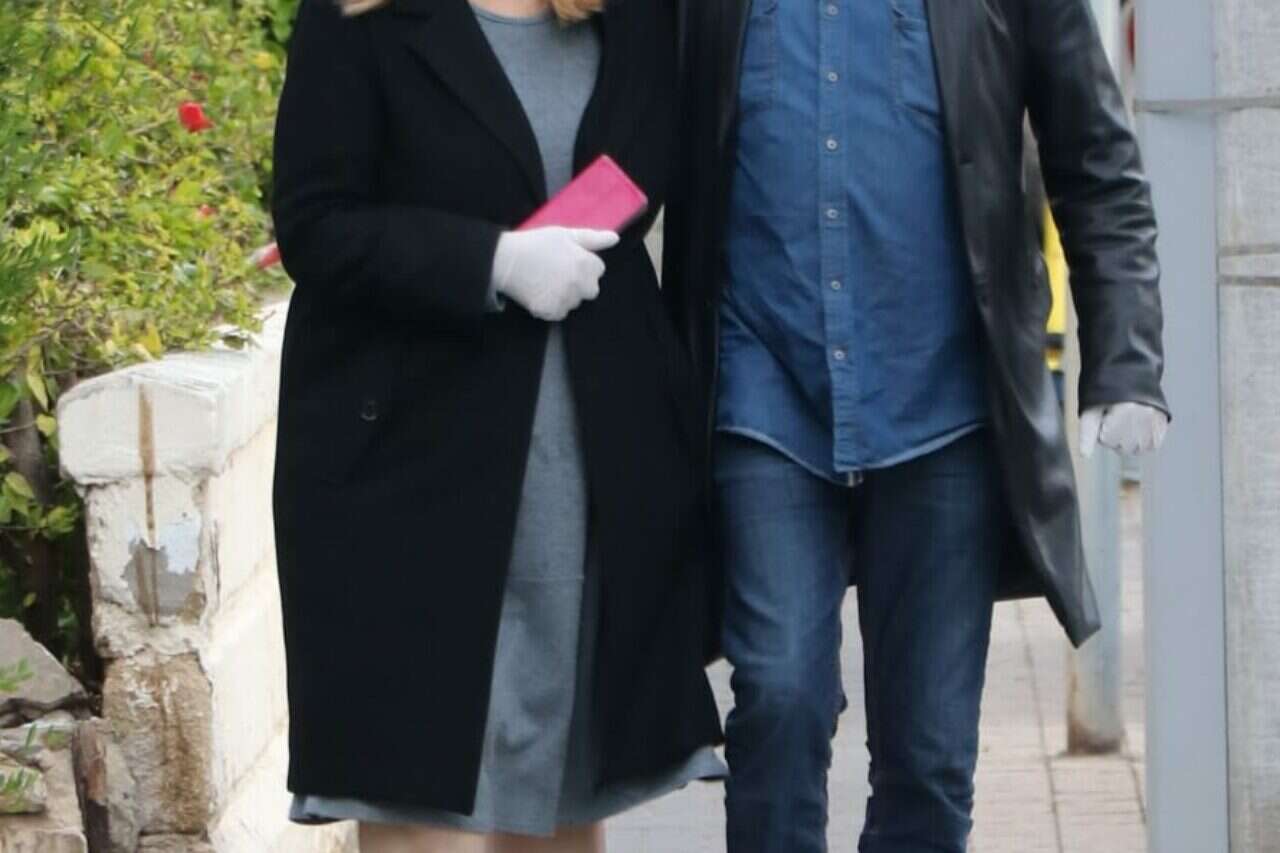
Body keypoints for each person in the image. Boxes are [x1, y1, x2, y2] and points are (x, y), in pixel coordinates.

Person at [661, 1, 1170, 851]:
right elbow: (614, 118)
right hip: (766, 393)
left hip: (946, 404)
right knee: (780, 698)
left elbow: (1097, 160)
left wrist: (1125, 357)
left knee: (929, 762)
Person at [270, 0, 725, 851]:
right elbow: (315, 222)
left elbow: (653, 179)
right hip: (405, 479)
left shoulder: (630, 16)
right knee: (416, 811)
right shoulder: (361, 16)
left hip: (586, 475)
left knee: (562, 807)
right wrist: (490, 262)